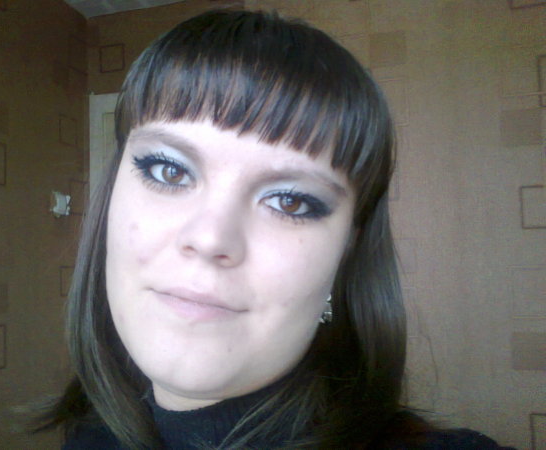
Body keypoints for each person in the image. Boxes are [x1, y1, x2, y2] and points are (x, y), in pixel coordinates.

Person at [37, 9, 514, 449]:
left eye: (290, 201)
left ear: (345, 253)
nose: (210, 238)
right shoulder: (86, 437)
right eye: (169, 170)